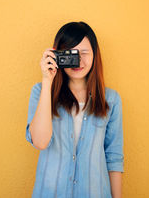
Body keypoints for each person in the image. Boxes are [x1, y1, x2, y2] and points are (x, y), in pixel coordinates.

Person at [25, 21, 124, 198]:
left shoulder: (111, 99)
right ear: (58, 55)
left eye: (85, 53)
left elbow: (114, 158)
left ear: (95, 55)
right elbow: (40, 142)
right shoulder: (40, 91)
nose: (78, 60)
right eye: (71, 53)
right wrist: (48, 81)